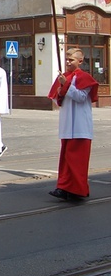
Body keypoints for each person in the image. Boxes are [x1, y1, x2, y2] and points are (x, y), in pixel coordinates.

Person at [47, 48, 98, 201]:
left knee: (77, 161)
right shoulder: (65, 77)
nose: (68, 62)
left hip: (80, 125)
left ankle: (77, 189)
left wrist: (66, 85)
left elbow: (81, 97)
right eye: (67, 60)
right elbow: (57, 100)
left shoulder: (84, 77)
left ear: (80, 61)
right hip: (67, 123)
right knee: (66, 159)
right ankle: (63, 187)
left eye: (72, 60)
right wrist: (60, 90)